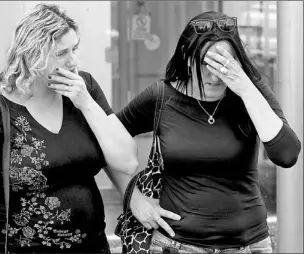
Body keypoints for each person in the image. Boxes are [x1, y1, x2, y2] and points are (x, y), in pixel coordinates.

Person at [109, 11, 301, 253]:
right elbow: (106, 141)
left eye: (223, 64)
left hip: (249, 245)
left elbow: (286, 155)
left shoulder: (251, 93)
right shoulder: (162, 96)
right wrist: (133, 197)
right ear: (187, 59)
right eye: (205, 64)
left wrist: (245, 88)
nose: (214, 75)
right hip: (176, 244)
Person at [0, 4, 138, 254]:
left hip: (93, 247)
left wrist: (86, 103)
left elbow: (128, 162)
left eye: (74, 49)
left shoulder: (83, 89)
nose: (73, 61)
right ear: (33, 55)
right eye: (62, 53)